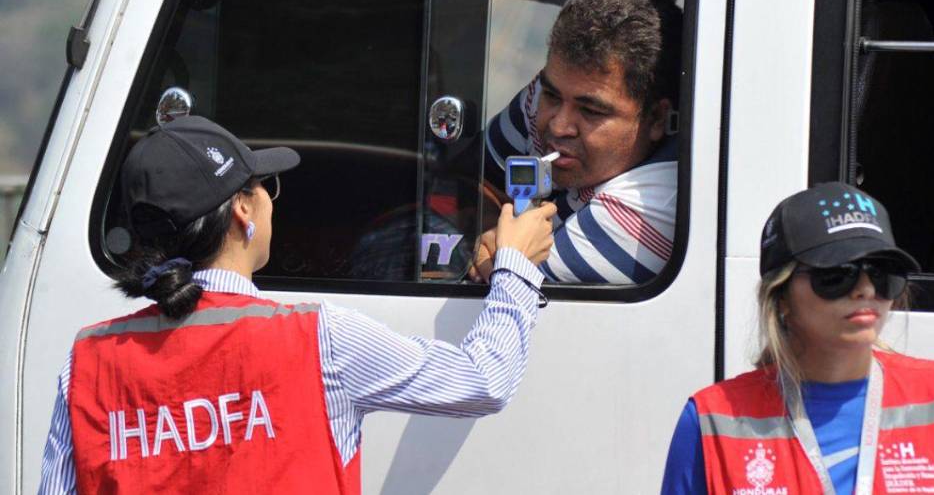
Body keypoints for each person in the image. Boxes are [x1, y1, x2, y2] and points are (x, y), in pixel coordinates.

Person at [38, 116, 556, 494]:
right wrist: (515, 266)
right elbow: (483, 382)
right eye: (266, 187)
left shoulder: (88, 363)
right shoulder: (318, 340)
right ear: (243, 209)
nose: (269, 200)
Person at [661, 182, 934, 495]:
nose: (865, 289)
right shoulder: (711, 419)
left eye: (882, 274)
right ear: (781, 297)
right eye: (837, 274)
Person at [474, 0, 682, 285]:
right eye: (552, 96)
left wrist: (496, 248)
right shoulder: (548, 96)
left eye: (591, 112)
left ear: (657, 119)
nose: (559, 126)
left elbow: (508, 291)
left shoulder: (647, 209)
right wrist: (490, 235)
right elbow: (470, 187)